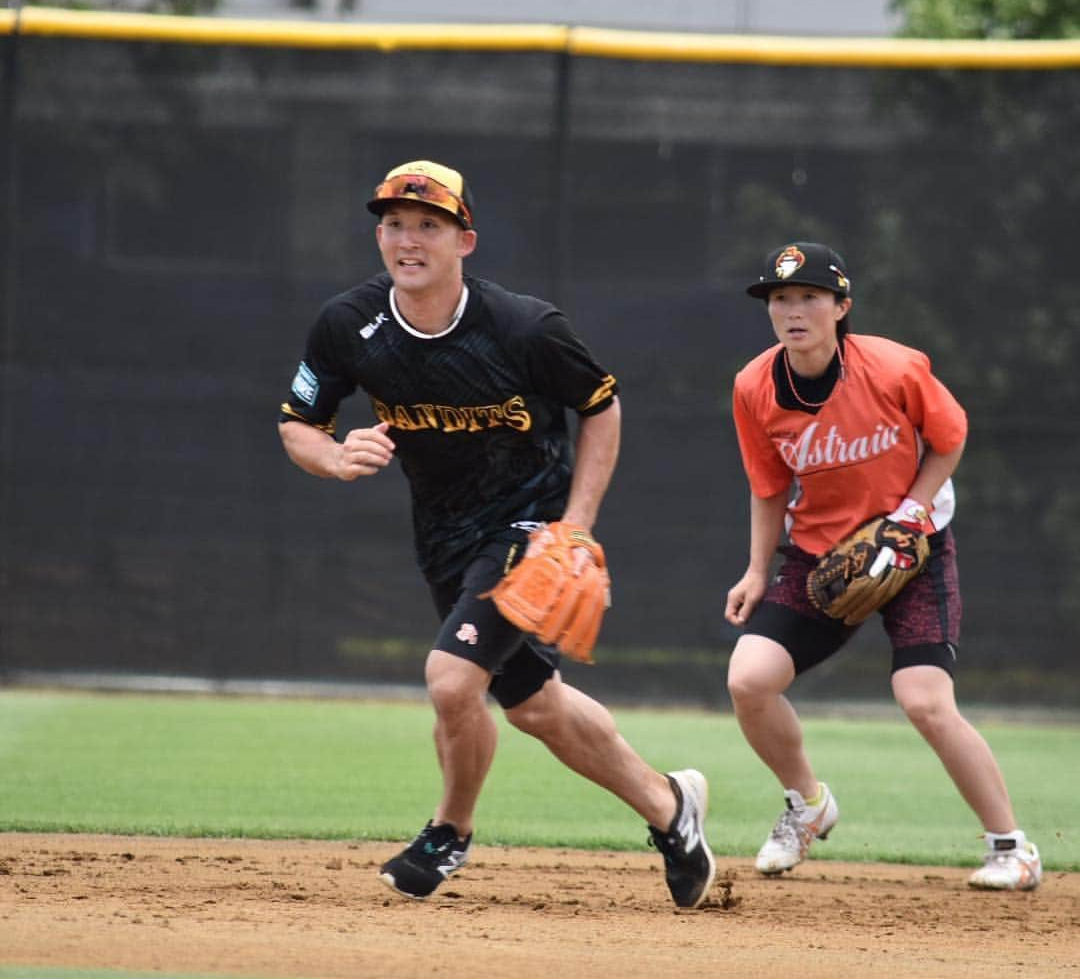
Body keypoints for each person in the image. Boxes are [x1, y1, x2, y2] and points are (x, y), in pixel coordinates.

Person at [278, 158, 715, 907]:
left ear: (465, 241)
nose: (407, 239)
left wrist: (575, 526)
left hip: (530, 526)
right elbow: (298, 426)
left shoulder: (523, 327)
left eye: (428, 225)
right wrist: (337, 456)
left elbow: (600, 406)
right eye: (393, 224)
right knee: (533, 705)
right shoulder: (349, 325)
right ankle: (673, 810)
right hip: (442, 536)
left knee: (450, 680)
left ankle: (449, 832)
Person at [723, 241, 1041, 892]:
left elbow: (950, 439)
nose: (793, 310)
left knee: (923, 699)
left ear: (842, 306)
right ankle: (807, 804)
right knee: (749, 679)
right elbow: (768, 487)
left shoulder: (894, 368)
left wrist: (911, 513)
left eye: (810, 296)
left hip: (913, 549)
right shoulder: (755, 387)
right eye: (780, 299)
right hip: (819, 557)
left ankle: (1012, 846)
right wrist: (757, 570)